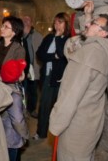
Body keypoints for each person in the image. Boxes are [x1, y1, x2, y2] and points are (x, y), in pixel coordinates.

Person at [49, 14, 108, 161]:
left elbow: (71, 94)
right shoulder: (106, 51)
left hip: (75, 125)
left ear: (103, 33)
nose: (88, 25)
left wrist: (56, 124)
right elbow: (74, 44)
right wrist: (88, 17)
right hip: (91, 122)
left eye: (93, 23)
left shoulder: (89, 53)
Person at [33, 12, 70, 140]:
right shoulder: (49, 37)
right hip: (47, 76)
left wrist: (59, 38)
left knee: (59, 107)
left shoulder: (68, 39)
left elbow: (62, 54)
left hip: (61, 78)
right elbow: (39, 54)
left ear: (66, 24)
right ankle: (41, 132)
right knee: (44, 105)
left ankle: (59, 134)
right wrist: (52, 56)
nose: (56, 25)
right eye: (55, 22)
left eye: (60, 22)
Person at [0, 59, 29, 161]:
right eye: (22, 71)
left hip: (5, 134)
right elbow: (17, 120)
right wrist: (25, 134)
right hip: (11, 137)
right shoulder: (14, 96)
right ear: (18, 77)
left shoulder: (5, 87)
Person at [22, 15, 43, 118]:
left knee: (33, 90)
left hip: (33, 67)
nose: (26, 22)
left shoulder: (37, 36)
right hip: (21, 68)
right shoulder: (18, 36)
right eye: (24, 20)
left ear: (32, 23)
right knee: (22, 90)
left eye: (28, 20)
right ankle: (22, 110)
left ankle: (32, 109)